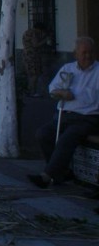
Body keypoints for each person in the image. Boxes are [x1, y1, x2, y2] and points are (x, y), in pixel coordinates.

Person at [28, 36, 99, 189]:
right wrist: (61, 92)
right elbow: (52, 90)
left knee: (68, 137)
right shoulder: (68, 69)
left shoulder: (98, 72)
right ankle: (62, 172)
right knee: (43, 134)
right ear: (76, 54)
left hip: (89, 118)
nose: (88, 56)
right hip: (66, 115)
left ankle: (46, 176)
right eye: (84, 52)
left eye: (90, 52)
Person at [22, 23, 51, 97]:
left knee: (30, 74)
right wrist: (45, 40)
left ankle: (30, 91)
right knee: (34, 74)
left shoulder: (26, 32)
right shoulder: (34, 33)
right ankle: (33, 92)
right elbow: (35, 44)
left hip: (26, 55)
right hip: (32, 56)